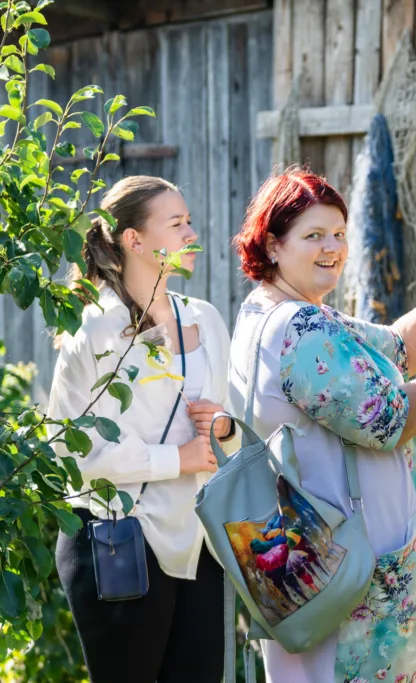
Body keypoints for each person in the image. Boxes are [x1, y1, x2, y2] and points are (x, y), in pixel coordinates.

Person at [228, 167, 416, 683]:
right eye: (313, 235)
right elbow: (392, 420)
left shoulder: (282, 313)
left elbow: (400, 345)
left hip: (327, 566)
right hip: (353, 580)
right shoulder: (298, 327)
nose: (332, 247)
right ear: (273, 244)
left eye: (338, 234)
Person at [48, 175, 237, 682]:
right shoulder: (91, 328)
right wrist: (177, 460)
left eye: (189, 221)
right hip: (119, 540)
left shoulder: (208, 320)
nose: (191, 233)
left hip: (201, 545)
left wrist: (223, 430)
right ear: (134, 240)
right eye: (176, 224)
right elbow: (70, 449)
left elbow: (234, 432)